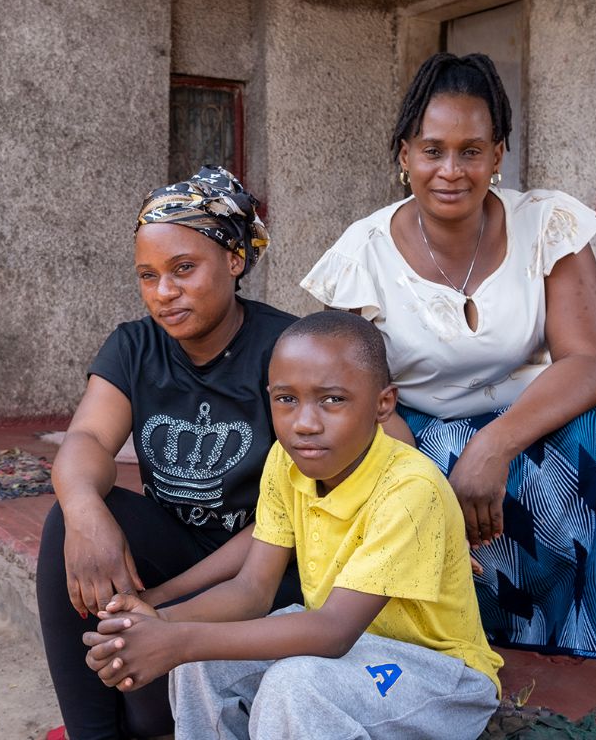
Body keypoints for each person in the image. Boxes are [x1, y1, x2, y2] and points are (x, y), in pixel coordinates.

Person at [300, 52, 596, 661]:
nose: (451, 171)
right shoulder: (361, 254)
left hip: (527, 419)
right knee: (419, 472)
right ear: (405, 156)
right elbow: (346, 390)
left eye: (471, 151)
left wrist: (494, 445)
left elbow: (588, 362)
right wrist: (420, 475)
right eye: (433, 150)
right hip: (409, 428)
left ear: (497, 154)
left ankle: (594, 626)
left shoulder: (546, 225)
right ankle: (458, 624)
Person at [83, 311, 502, 740]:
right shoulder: (287, 462)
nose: (305, 423)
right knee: (203, 661)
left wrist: (179, 640)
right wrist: (159, 620)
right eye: (286, 399)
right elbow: (251, 590)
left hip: (439, 676)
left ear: (383, 404)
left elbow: (334, 631)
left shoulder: (410, 488)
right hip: (350, 653)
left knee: (294, 685)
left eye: (332, 400)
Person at [36, 166, 302, 739]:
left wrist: (158, 603)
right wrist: (85, 514)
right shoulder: (135, 345)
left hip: (267, 566)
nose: (164, 292)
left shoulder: (288, 349)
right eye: (148, 275)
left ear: (234, 260)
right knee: (69, 519)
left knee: (147, 714)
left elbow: (289, 520)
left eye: (184, 268)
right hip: (177, 547)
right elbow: (87, 440)